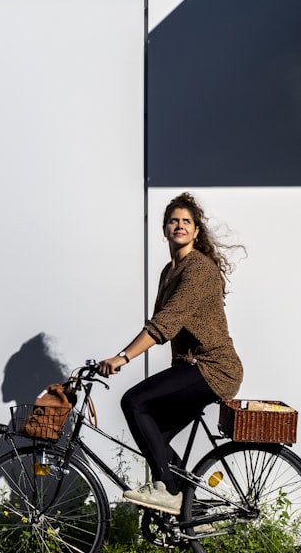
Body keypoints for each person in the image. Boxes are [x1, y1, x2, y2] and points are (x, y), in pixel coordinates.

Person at [98, 191, 242, 515]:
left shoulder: (199, 270)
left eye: (186, 221)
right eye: (173, 220)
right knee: (155, 440)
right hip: (193, 367)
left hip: (213, 368)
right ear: (164, 229)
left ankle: (167, 491)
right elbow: (166, 325)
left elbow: (167, 322)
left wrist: (123, 357)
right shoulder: (169, 271)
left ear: (196, 231)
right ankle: (190, 509)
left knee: (133, 402)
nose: (179, 225)